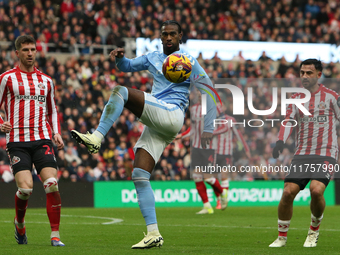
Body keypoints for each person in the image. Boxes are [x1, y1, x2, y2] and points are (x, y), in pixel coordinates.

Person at [71, 20, 216, 249]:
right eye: (164, 34)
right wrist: (119, 57)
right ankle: (153, 234)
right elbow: (126, 66)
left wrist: (208, 128)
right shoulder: (153, 57)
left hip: (172, 114)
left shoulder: (189, 62)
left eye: (172, 34)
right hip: (158, 120)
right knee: (139, 175)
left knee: (120, 92)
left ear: (180, 36)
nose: (168, 38)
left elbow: (209, 91)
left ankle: (97, 137)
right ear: (160, 37)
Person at [0, 35, 65, 246]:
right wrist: (1, 122)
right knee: (26, 189)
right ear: (17, 53)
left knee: (51, 184)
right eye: (25, 49)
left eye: (33, 49)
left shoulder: (46, 81)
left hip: (42, 138)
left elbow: (52, 110)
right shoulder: (7, 78)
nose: (30, 53)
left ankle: (55, 235)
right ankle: (19, 224)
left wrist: (56, 132)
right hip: (17, 141)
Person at [269, 59, 340, 248]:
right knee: (287, 192)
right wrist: (280, 142)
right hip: (302, 154)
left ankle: (313, 231)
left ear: (318, 74)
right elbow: (288, 122)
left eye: (309, 73)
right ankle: (282, 238)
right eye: (302, 73)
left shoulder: (332, 97)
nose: (305, 76)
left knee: (316, 191)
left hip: (326, 153)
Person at [177, 101, 228, 214]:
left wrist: (212, 132)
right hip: (196, 147)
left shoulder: (216, 107)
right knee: (196, 176)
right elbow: (193, 129)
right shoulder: (194, 108)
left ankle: (223, 192)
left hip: (209, 148)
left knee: (208, 178)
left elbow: (225, 127)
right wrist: (181, 135)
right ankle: (207, 206)